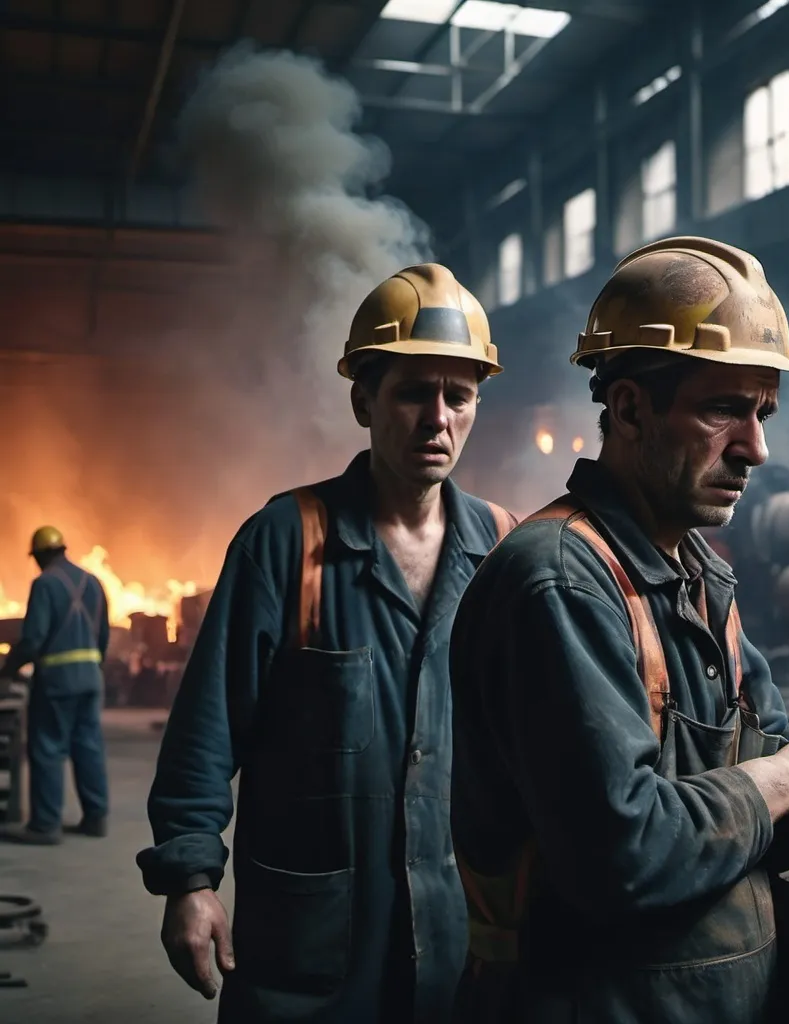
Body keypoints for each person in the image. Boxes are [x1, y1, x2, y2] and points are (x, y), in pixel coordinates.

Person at [449, 237, 789, 1024]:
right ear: (630, 407)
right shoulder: (561, 581)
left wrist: (764, 801)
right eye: (722, 410)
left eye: (763, 412)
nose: (757, 449)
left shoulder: (702, 578)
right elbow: (624, 859)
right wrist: (774, 787)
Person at [136, 263, 518, 1024]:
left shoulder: (505, 551)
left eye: (459, 395)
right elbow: (208, 729)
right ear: (362, 400)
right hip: (310, 954)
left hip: (458, 944)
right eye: (413, 392)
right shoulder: (285, 542)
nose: (437, 418)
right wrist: (190, 879)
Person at [0, 526, 110, 845]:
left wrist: (9, 667)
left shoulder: (45, 583)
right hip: (91, 677)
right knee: (88, 746)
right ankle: (95, 818)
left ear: (41, 555)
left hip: (57, 680)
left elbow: (33, 638)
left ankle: (45, 825)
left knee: (47, 747)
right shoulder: (94, 582)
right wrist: (92, 666)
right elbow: (102, 636)